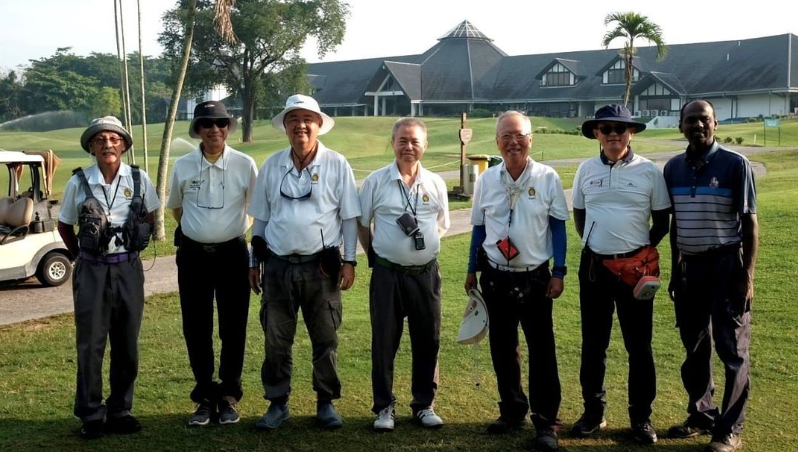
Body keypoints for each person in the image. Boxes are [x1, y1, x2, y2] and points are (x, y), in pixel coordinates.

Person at [248, 94, 360, 430]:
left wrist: (350, 260)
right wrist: (254, 262)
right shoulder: (272, 164)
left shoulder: (337, 163)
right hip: (279, 267)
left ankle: (325, 403)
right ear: (285, 126)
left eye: (307, 119)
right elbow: (261, 221)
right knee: (276, 339)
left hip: (321, 268)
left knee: (325, 338)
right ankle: (277, 403)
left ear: (318, 125)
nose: (301, 126)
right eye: (293, 119)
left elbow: (349, 218)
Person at [464, 111, 568, 452]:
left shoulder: (547, 177)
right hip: (495, 275)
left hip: (536, 277)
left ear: (530, 139)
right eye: (506, 136)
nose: (513, 142)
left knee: (542, 351)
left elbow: (558, 226)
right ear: (496, 141)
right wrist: (470, 268)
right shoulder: (487, 180)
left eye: (519, 135)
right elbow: (479, 227)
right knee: (503, 348)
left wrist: (560, 270)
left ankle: (546, 421)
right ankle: (512, 409)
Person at [570, 104, 671, 444]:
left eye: (620, 128)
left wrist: (640, 252)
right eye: (606, 128)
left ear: (631, 133)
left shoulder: (649, 171)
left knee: (638, 346)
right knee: (593, 345)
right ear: (596, 134)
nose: (613, 134)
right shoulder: (585, 169)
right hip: (595, 269)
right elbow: (579, 214)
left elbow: (661, 221)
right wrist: (594, 245)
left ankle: (641, 418)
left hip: (635, 270)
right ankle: (593, 413)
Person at [663, 100, 758, 452]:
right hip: (690, 269)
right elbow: (675, 225)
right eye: (691, 120)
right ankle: (702, 414)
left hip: (726, 266)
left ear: (715, 123)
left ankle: (729, 428)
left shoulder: (735, 164)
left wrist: (746, 275)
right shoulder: (672, 169)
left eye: (704, 120)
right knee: (695, 346)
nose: (697, 126)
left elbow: (750, 224)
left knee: (733, 349)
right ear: (680, 125)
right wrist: (675, 270)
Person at [57, 116, 159, 439]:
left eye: (114, 139)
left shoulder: (139, 179)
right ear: (91, 147)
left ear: (124, 145)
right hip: (92, 269)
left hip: (128, 268)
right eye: (100, 140)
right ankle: (91, 414)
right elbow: (64, 225)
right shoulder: (78, 182)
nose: (108, 144)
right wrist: (82, 257)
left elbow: (152, 215)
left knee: (127, 342)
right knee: (91, 344)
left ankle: (120, 410)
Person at [166, 101, 257, 426]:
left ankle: (229, 395)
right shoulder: (184, 164)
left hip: (233, 255)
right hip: (193, 256)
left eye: (220, 123)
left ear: (228, 127)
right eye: (207, 123)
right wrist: (200, 230)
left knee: (233, 327)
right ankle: (205, 395)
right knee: (196, 327)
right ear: (198, 129)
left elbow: (255, 209)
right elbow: (177, 208)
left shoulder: (245, 164)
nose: (214, 129)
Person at [358, 117, 450, 432]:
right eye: (402, 140)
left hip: (426, 275)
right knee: (384, 341)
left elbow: (441, 223)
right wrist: (377, 254)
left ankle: (424, 405)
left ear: (424, 145)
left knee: (429, 340)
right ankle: (384, 407)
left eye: (414, 141)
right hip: (387, 275)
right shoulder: (375, 181)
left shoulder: (436, 183)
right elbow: (362, 222)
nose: (408, 147)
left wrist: (418, 251)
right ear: (393, 143)